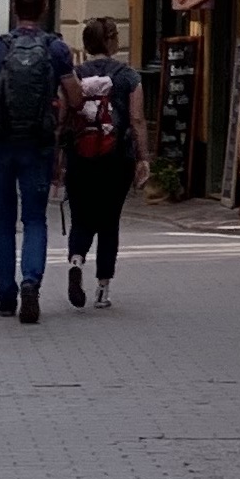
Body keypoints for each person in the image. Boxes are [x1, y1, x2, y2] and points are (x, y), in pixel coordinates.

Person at [0, 0, 76, 321]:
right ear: (43, 8)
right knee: (35, 218)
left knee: (3, 218)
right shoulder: (56, 49)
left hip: (1, 144)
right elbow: (76, 98)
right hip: (38, 145)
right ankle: (30, 281)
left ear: (14, 8)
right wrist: (58, 127)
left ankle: (5, 295)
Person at [60, 18, 148, 310]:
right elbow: (136, 119)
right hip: (116, 157)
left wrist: (58, 157)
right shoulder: (128, 76)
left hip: (79, 156)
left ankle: (75, 261)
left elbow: (63, 117)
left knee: (81, 217)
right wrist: (143, 157)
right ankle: (102, 289)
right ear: (111, 41)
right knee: (109, 221)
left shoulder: (73, 74)